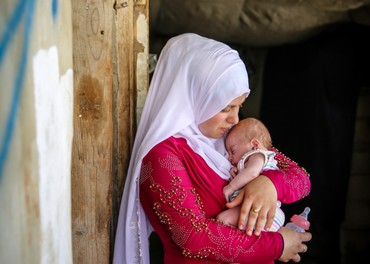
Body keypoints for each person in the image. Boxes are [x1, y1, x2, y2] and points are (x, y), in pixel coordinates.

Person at [113, 33, 312, 264]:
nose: (235, 119)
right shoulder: (161, 156)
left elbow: (301, 178)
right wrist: (277, 245)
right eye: (226, 107)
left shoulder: (231, 139)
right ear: (196, 94)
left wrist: (268, 183)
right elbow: (192, 238)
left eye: (238, 107)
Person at [217, 117, 285, 232]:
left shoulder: (258, 155)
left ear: (254, 144)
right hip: (262, 211)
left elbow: (252, 173)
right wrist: (237, 171)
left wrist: (231, 187)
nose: (229, 157)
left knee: (222, 219)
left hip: (264, 211)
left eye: (232, 151)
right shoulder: (252, 161)